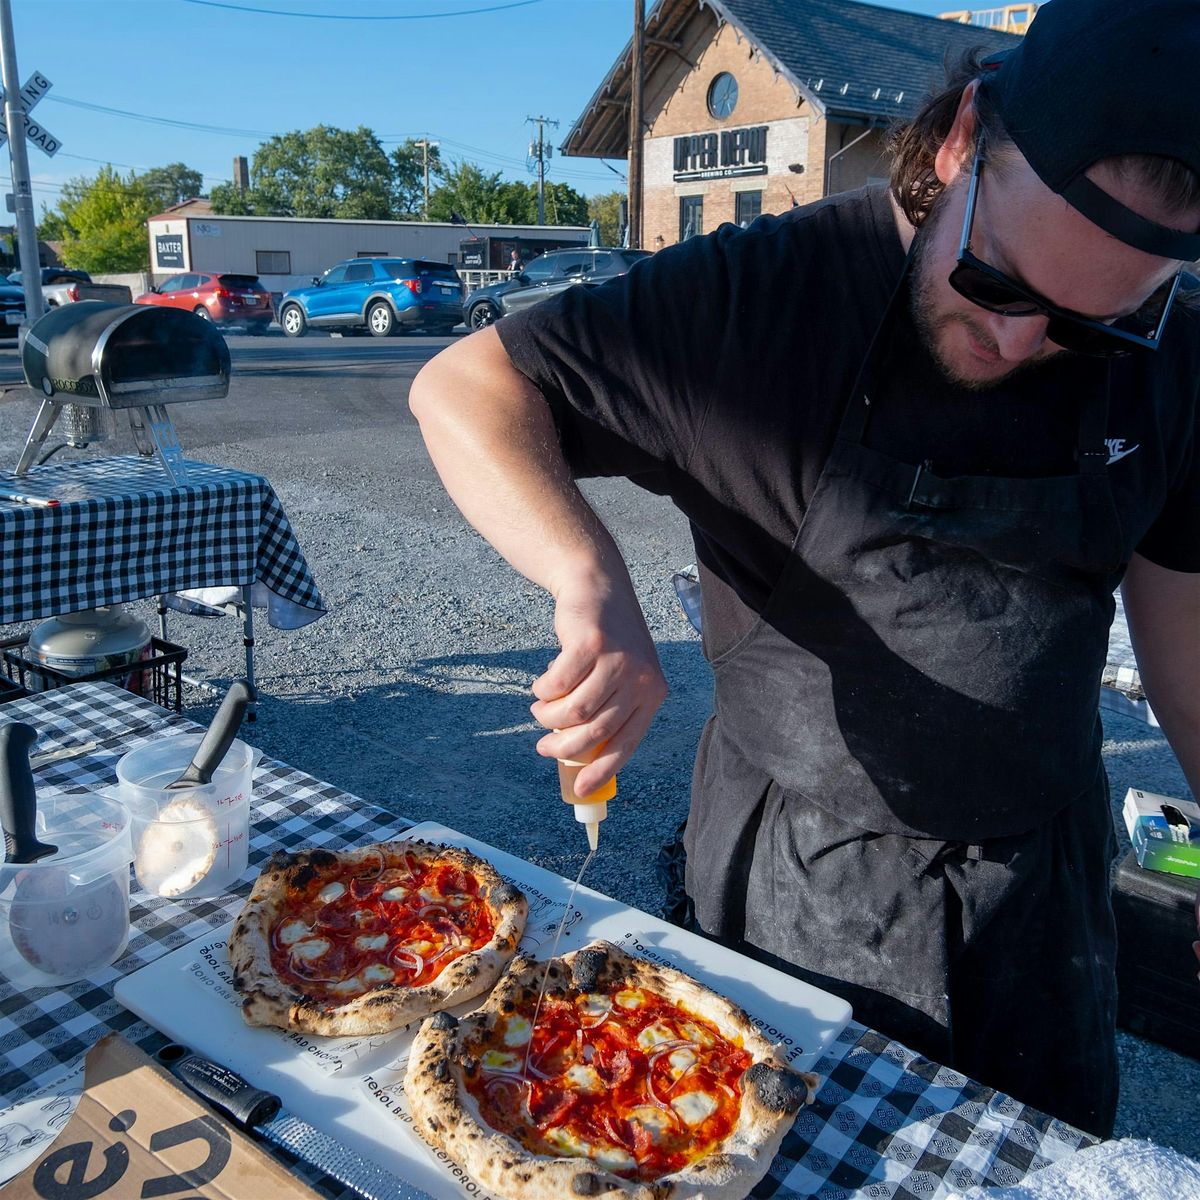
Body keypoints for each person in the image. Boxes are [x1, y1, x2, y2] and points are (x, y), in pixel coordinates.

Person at [410, 0, 1200, 1138]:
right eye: (998, 282)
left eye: (1091, 328)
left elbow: (1184, 613)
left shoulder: (1180, 353)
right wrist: (587, 580)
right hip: (802, 871)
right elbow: (466, 390)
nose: (1024, 345)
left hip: (1045, 883)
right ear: (963, 138)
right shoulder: (765, 300)